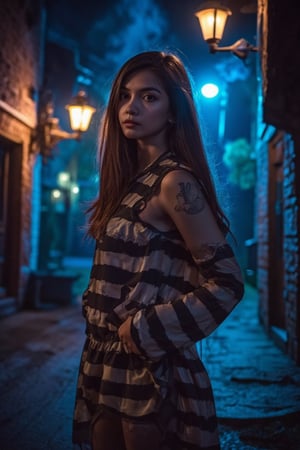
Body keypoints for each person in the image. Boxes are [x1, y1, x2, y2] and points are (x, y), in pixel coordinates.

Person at [72, 50, 244, 450]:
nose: (132, 107)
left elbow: (227, 282)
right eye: (126, 96)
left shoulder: (174, 182)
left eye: (149, 97)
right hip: (103, 360)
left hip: (148, 367)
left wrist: (147, 329)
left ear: (172, 112)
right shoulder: (127, 183)